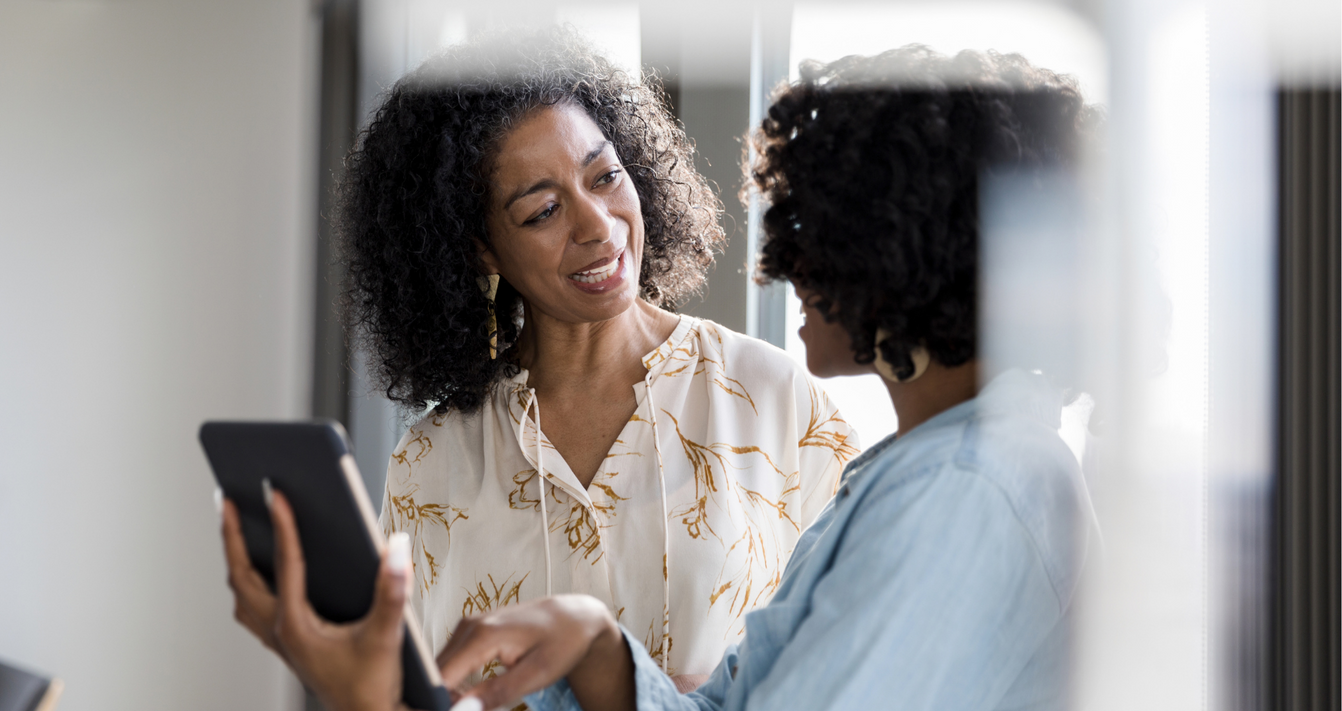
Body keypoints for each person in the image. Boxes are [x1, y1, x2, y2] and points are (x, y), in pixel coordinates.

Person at [420, 46, 1102, 711]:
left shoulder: (963, 487)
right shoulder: (927, 473)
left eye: (816, 227)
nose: (784, 264)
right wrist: (598, 646)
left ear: (901, 249)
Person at [217, 25, 858, 704]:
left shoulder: (773, 398)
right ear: (483, 249)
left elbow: (874, 651)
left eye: (605, 176)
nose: (597, 226)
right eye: (543, 210)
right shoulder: (433, 462)